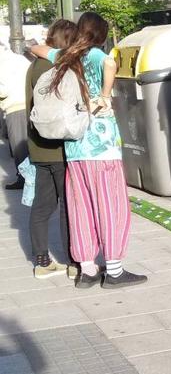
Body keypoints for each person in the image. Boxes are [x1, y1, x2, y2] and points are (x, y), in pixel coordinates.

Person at [31, 12, 147, 289]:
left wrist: (55, 50)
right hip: (102, 147)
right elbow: (109, 62)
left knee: (80, 208)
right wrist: (105, 96)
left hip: (74, 147)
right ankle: (115, 271)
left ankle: (87, 270)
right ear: (101, 35)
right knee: (110, 206)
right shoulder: (95, 54)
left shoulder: (66, 55)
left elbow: (35, 48)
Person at [26, 20, 79, 279]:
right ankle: (72, 262)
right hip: (59, 146)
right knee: (67, 205)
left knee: (42, 205)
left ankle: (42, 261)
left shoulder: (34, 66)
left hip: (37, 146)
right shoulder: (59, 66)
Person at [0, 43, 31, 189]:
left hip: (15, 106)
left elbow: (3, 90)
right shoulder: (20, 59)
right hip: (28, 104)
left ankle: (24, 178)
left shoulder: (3, 64)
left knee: (19, 145)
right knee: (27, 143)